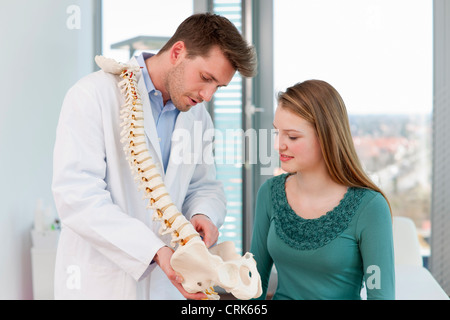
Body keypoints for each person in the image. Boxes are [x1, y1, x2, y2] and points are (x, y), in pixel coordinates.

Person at [52, 13, 257, 300]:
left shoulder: (197, 116)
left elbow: (203, 186)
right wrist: (153, 251)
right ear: (177, 52)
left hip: (167, 289)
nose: (208, 95)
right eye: (206, 78)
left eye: (218, 87)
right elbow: (76, 196)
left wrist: (203, 214)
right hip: (102, 284)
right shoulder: (93, 95)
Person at [250, 80, 395, 300]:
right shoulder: (269, 193)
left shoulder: (371, 207)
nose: (279, 145)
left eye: (292, 136)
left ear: (326, 136)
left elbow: (381, 295)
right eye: (277, 133)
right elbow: (253, 284)